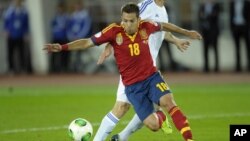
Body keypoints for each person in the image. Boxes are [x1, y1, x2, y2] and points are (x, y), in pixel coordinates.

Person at [44, 3, 202, 141]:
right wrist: (62, 47)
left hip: (152, 78)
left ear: (138, 20)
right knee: (153, 125)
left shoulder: (146, 26)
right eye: (125, 20)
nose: (127, 24)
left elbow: (164, 26)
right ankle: (159, 116)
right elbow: (87, 42)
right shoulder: (114, 31)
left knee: (169, 101)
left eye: (131, 21)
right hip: (133, 88)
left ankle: (189, 139)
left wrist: (186, 33)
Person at [95, 0, 192, 141]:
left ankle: (123, 136)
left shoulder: (163, 10)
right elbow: (125, 24)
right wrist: (111, 43)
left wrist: (176, 40)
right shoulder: (145, 6)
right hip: (133, 65)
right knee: (121, 107)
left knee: (141, 108)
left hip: (148, 67)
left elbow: (159, 30)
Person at [3, 0, 29, 74]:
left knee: (22, 52)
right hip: (11, 35)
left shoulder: (24, 11)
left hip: (20, 35)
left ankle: (23, 68)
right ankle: (11, 69)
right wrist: (6, 30)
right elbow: (6, 22)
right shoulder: (9, 11)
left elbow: (26, 24)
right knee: (10, 53)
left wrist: (26, 33)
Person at [66, 0, 92, 72]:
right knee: (73, 54)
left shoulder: (85, 15)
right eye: (76, 5)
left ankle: (82, 69)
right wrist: (70, 36)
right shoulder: (72, 15)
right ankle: (74, 68)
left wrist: (80, 36)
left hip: (82, 38)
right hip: (73, 38)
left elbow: (86, 27)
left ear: (81, 6)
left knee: (83, 55)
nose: (77, 7)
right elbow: (69, 27)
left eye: (78, 5)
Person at [198, 0, 221, 72]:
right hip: (205, 31)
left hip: (214, 31)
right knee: (205, 49)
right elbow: (199, 16)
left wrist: (205, 16)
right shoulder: (202, 6)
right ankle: (206, 67)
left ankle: (216, 67)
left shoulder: (216, 6)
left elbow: (215, 16)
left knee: (215, 49)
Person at [229, 0, 250, 72]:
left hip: (244, 27)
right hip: (236, 27)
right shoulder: (232, 3)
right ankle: (238, 67)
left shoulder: (247, 3)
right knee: (237, 48)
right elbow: (231, 16)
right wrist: (232, 28)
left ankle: (248, 66)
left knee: (247, 48)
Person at [50, 2, 69, 73]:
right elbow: (52, 25)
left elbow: (68, 27)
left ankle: (64, 68)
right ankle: (53, 68)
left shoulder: (66, 17)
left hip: (64, 37)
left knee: (64, 54)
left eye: (61, 8)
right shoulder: (55, 17)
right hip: (56, 37)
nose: (60, 10)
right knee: (54, 53)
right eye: (59, 8)